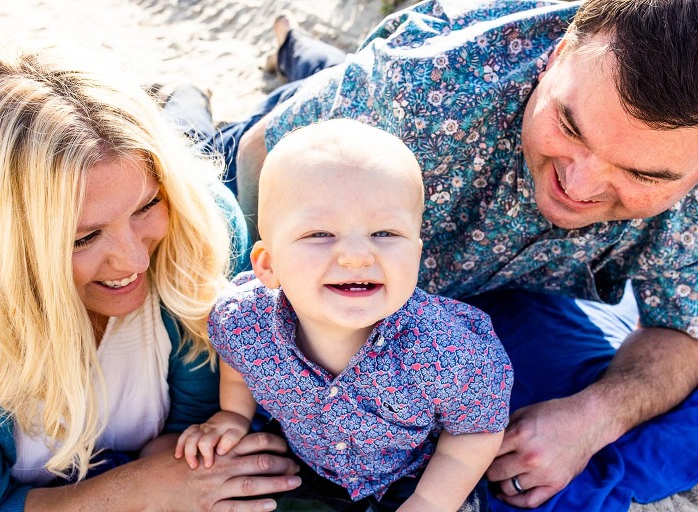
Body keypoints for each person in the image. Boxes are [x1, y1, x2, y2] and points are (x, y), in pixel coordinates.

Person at [163, 0, 698, 510]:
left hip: (452, 280)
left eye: (642, 174)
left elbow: (686, 328)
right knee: (184, 151)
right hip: (306, 155)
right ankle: (190, 93)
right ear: (556, 56)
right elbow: (261, 149)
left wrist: (593, 417)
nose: (578, 185)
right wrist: (287, 286)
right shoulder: (423, 86)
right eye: (570, 127)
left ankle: (295, 44)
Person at [0, 47, 303, 512]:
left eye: (146, 207)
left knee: (209, 134)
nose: (133, 260)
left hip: (200, 161)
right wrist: (142, 487)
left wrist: (180, 455)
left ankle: (191, 93)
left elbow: (198, 412)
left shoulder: (200, 227)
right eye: (83, 238)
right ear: (0, 247)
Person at [176, 119, 513, 512]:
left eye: (385, 233)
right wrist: (233, 413)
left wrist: (429, 502)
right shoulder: (245, 320)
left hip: (412, 473)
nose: (357, 255)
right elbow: (238, 358)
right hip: (305, 462)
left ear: (416, 255)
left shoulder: (449, 352)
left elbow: (474, 431)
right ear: (268, 265)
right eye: (320, 234)